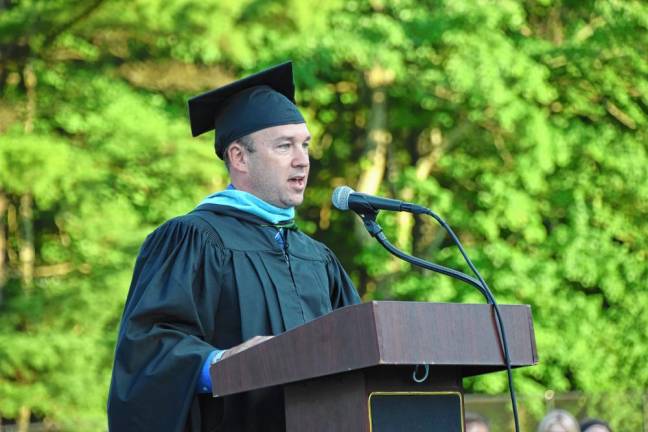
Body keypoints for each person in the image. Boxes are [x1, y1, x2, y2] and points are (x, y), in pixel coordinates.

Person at [107, 62, 361, 432]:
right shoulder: (191, 241)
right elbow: (148, 350)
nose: (302, 159)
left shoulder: (318, 259)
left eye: (304, 145)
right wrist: (219, 363)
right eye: (284, 146)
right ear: (239, 157)